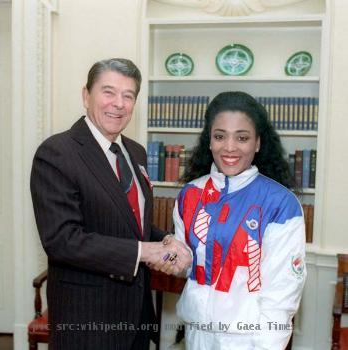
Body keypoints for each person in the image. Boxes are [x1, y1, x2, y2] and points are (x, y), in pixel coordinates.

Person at [30, 58, 191, 350]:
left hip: (137, 314)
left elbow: (132, 222)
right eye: (108, 92)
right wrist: (146, 251)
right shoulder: (57, 153)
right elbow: (62, 240)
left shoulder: (136, 152)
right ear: (86, 95)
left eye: (128, 95)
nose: (118, 103)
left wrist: (165, 240)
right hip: (87, 318)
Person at [173, 91, 306, 350]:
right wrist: (170, 256)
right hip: (197, 335)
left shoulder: (281, 203)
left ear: (257, 143)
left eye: (242, 138)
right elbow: (188, 268)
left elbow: (281, 295)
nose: (230, 147)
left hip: (249, 340)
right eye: (220, 136)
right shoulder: (189, 195)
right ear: (209, 141)